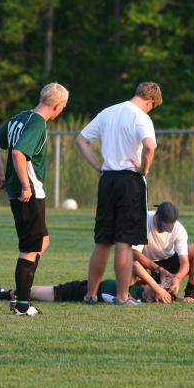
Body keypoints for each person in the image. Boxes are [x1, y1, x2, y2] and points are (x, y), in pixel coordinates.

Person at [75, 82, 162, 305]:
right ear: (150, 101)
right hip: (129, 182)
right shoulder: (141, 117)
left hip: (108, 180)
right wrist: (144, 168)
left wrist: (98, 166)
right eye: (153, 106)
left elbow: (81, 140)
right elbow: (150, 146)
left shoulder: (108, 112)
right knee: (124, 242)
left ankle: (90, 294)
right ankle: (122, 297)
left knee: (103, 241)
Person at [0, 83, 69, 316]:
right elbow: (18, 152)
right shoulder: (38, 124)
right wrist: (26, 186)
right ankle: (22, 305)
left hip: (23, 191)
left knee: (42, 242)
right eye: (63, 107)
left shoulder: (21, 116)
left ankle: (21, 293)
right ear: (57, 106)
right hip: (29, 194)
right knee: (29, 248)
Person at [0, 260, 172, 304]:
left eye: (156, 299)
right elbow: (135, 265)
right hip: (84, 288)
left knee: (44, 294)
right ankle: (4, 293)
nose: (154, 296)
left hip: (82, 294)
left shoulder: (138, 299)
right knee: (44, 292)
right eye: (155, 292)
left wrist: (166, 294)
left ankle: (4, 293)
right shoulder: (134, 285)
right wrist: (159, 287)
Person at [133, 201, 194, 301]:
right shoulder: (143, 221)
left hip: (169, 262)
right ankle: (148, 290)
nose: (163, 229)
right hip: (147, 266)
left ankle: (190, 292)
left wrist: (177, 278)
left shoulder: (179, 229)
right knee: (134, 264)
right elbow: (135, 253)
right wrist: (159, 270)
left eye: (167, 226)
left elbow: (184, 263)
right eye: (161, 225)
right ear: (156, 214)